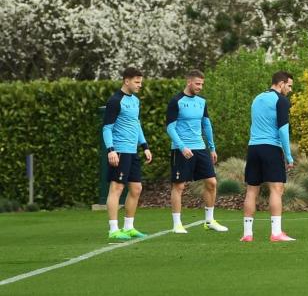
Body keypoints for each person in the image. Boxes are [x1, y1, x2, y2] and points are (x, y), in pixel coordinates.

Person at [166, 69, 228, 233]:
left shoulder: (202, 102)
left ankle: (209, 221)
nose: (200, 87)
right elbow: (170, 128)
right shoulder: (176, 101)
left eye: (202, 84)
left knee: (212, 183)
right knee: (179, 186)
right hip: (182, 149)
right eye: (197, 83)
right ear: (189, 82)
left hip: (200, 148)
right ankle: (177, 224)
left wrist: (212, 148)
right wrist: (182, 146)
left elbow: (206, 125)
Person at [242, 71, 295, 243]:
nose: (290, 90)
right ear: (281, 83)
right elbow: (282, 130)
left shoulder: (257, 98)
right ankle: (276, 233)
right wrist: (288, 155)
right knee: (276, 189)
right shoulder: (281, 100)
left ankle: (248, 234)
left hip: (253, 148)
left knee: (252, 190)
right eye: (289, 86)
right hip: (271, 148)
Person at [103, 67, 153, 241]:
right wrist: (111, 150)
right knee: (117, 188)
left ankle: (129, 227)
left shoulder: (136, 101)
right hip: (120, 151)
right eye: (137, 82)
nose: (140, 85)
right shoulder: (115, 101)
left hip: (133, 151)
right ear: (126, 81)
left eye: (140, 82)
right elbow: (107, 128)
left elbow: (136, 124)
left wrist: (145, 145)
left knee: (136, 188)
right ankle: (113, 229)